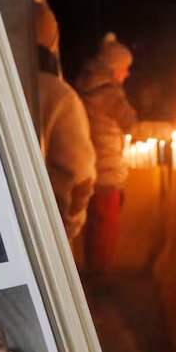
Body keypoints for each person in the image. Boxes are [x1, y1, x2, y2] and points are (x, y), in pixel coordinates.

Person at [35, 3, 96, 246]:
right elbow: (77, 176)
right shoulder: (59, 96)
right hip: (44, 233)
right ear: (52, 41)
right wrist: (68, 228)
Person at [76, 33, 138, 272]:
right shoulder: (109, 94)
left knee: (96, 230)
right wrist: (169, 128)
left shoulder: (87, 88)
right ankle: (99, 282)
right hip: (107, 172)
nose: (127, 73)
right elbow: (133, 125)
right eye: (124, 68)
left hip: (91, 168)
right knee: (105, 231)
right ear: (113, 69)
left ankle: (95, 277)